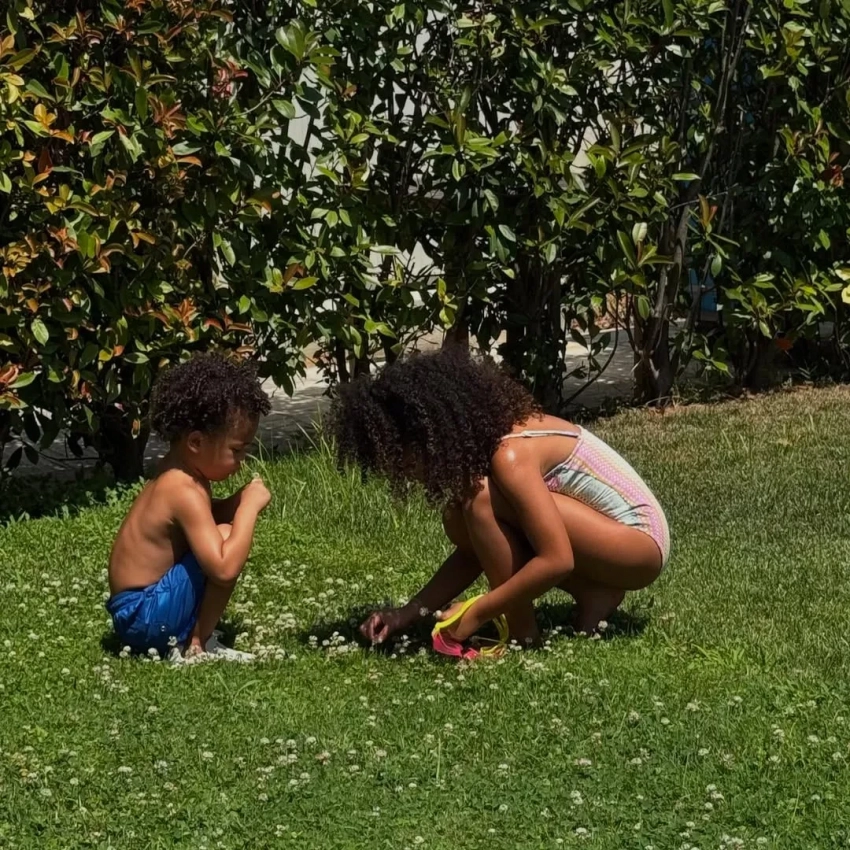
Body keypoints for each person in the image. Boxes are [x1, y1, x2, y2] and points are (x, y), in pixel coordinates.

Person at [329, 348, 669, 649]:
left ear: (432, 435)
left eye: (404, 463)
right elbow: (476, 553)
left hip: (639, 545)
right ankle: (593, 593)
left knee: (478, 500)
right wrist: (407, 613)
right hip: (616, 544)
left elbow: (557, 559)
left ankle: (523, 636)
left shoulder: (510, 455)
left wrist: (478, 611)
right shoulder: (492, 447)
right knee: (462, 516)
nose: (407, 476)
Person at [106, 353, 272, 662]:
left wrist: (237, 501)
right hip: (144, 616)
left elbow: (200, 521)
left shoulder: (176, 471)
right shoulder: (183, 489)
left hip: (135, 613)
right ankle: (197, 644)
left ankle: (193, 637)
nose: (241, 461)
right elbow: (224, 568)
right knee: (226, 538)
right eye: (236, 450)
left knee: (221, 532)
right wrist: (248, 509)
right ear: (196, 442)